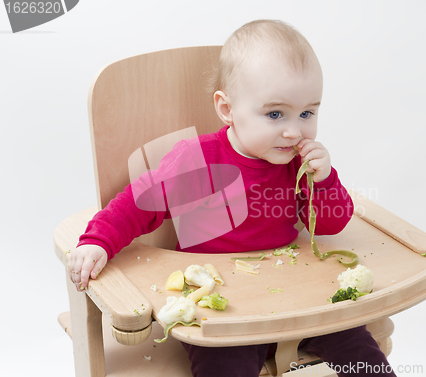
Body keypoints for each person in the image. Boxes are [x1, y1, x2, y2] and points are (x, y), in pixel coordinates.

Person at [69, 19, 396, 377]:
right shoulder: (199, 161)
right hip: (224, 311)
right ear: (227, 109)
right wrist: (98, 241)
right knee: (223, 368)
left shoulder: (298, 162)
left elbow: (333, 224)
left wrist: (325, 179)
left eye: (307, 113)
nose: (293, 130)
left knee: (364, 354)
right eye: (275, 114)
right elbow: (137, 204)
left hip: (300, 297)